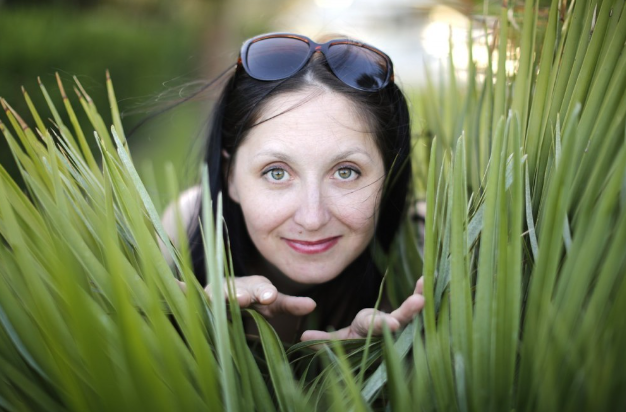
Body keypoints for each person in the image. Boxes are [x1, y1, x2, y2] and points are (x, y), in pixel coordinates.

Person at [161, 32, 425, 344]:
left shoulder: (424, 247)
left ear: (389, 172)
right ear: (230, 176)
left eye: (346, 172)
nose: (312, 219)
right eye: (276, 173)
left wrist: (382, 359)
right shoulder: (187, 226)